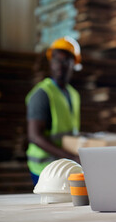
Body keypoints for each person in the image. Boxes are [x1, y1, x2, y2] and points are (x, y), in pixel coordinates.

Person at [26, 36, 82, 185]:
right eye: (56, 60)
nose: (60, 65)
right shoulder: (42, 94)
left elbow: (70, 131)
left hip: (65, 166)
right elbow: (34, 136)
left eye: (66, 61)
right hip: (45, 169)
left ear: (74, 64)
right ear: (51, 62)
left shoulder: (73, 95)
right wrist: (72, 157)